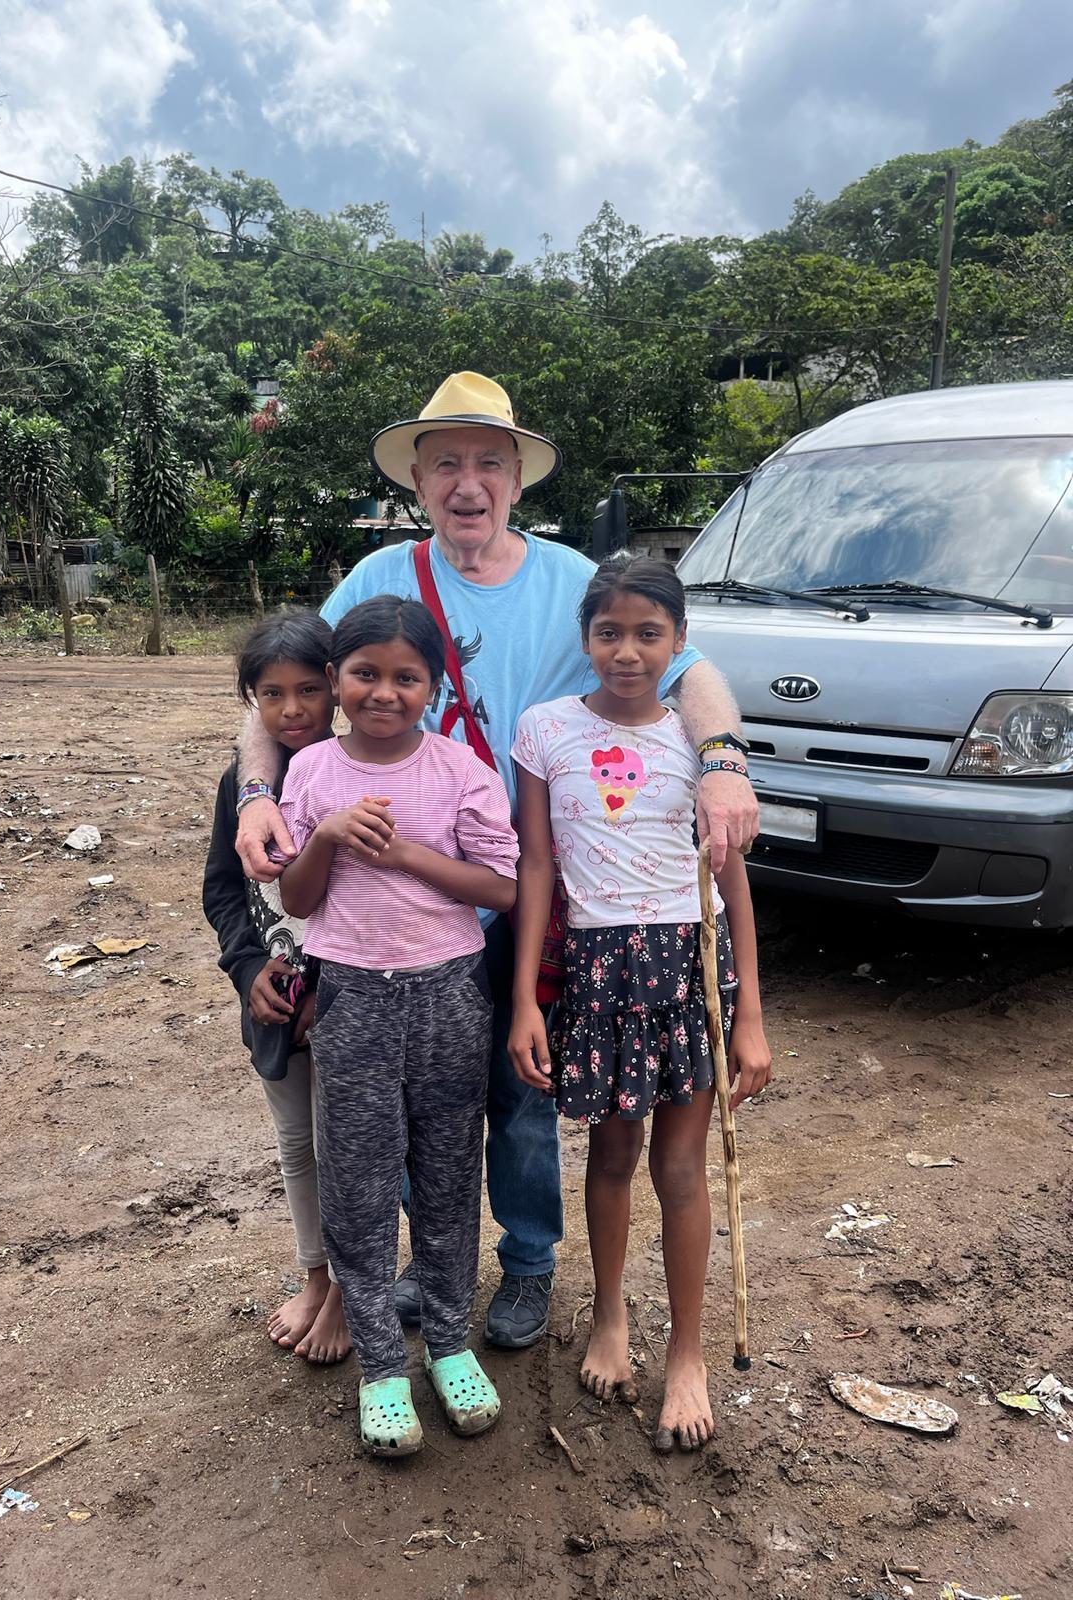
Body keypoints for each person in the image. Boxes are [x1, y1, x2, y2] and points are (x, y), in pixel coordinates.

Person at [234, 371, 761, 1349]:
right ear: (420, 482)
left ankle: (526, 1263)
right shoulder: (375, 584)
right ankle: (429, 1263)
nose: (466, 483)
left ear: (517, 476)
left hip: (527, 890)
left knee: (522, 1091)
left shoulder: (576, 584)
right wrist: (259, 792)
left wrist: (724, 762)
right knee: (403, 1097)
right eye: (446, 465)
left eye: (486, 462)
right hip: (395, 903)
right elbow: (278, 696)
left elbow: (698, 675)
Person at [508, 553, 772, 1453]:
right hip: (593, 967)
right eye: (609, 632)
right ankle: (611, 1314)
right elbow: (535, 865)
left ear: (680, 642)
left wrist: (752, 1017)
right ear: (585, 640)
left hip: (686, 965)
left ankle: (689, 1353)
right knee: (613, 1152)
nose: (627, 651)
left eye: (648, 633)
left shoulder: (703, 753)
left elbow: (732, 886)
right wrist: (524, 1001)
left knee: (684, 1165)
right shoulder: (544, 731)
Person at [274, 595, 519, 1456]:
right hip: (351, 997)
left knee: (450, 1175)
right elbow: (296, 901)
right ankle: (383, 1363)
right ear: (336, 681)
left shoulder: (459, 772)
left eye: (406, 677)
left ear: (436, 687)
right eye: (365, 673)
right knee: (360, 1183)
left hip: (450, 993)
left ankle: (450, 1343)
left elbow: (502, 889)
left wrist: (406, 854)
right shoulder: (310, 775)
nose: (384, 692)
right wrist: (329, 837)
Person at [202, 608, 350, 1365]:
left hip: (347, 1001)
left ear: (335, 687)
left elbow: (372, 901)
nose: (291, 711)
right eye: (270, 694)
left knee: (352, 1146)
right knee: (297, 1145)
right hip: (272, 1002)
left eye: (306, 691)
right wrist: (248, 968)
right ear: (251, 699)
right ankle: (317, 1276)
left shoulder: (362, 772)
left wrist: (335, 989)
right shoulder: (245, 783)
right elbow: (225, 889)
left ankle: (354, 1290)